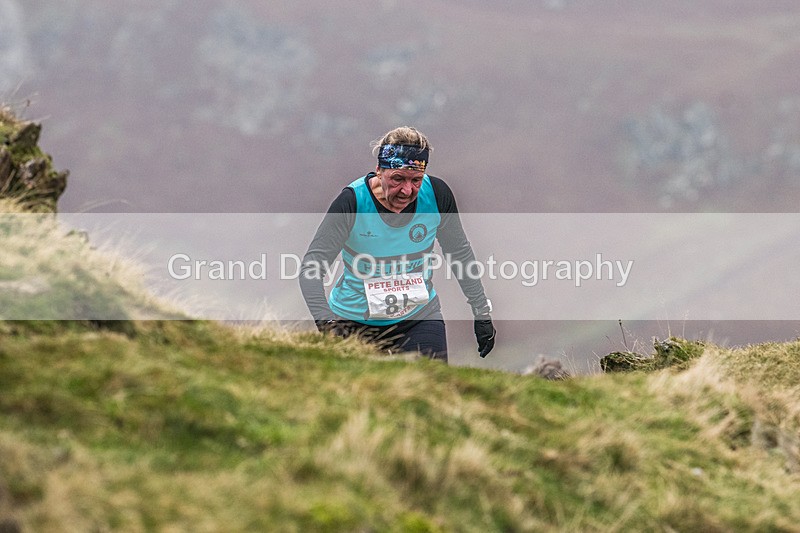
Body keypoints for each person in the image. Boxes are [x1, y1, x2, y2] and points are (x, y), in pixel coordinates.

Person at [299, 126, 495, 363]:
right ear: (379, 170)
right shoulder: (352, 202)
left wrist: (481, 312)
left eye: (416, 180)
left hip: (419, 317)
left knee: (432, 388)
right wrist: (326, 322)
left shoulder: (437, 195)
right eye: (398, 178)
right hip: (354, 321)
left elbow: (459, 254)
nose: (407, 190)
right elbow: (311, 267)